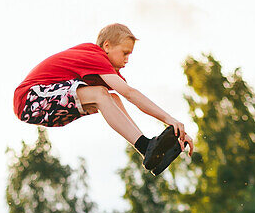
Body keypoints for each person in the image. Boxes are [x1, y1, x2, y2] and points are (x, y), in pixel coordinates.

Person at [13, 23, 194, 175]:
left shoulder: (105, 71)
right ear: (107, 46)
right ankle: (146, 146)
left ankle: (146, 147)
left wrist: (175, 132)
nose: (127, 59)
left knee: (113, 99)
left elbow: (132, 98)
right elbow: (130, 92)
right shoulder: (94, 55)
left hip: (44, 107)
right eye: (124, 53)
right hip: (30, 97)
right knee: (101, 94)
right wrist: (169, 119)